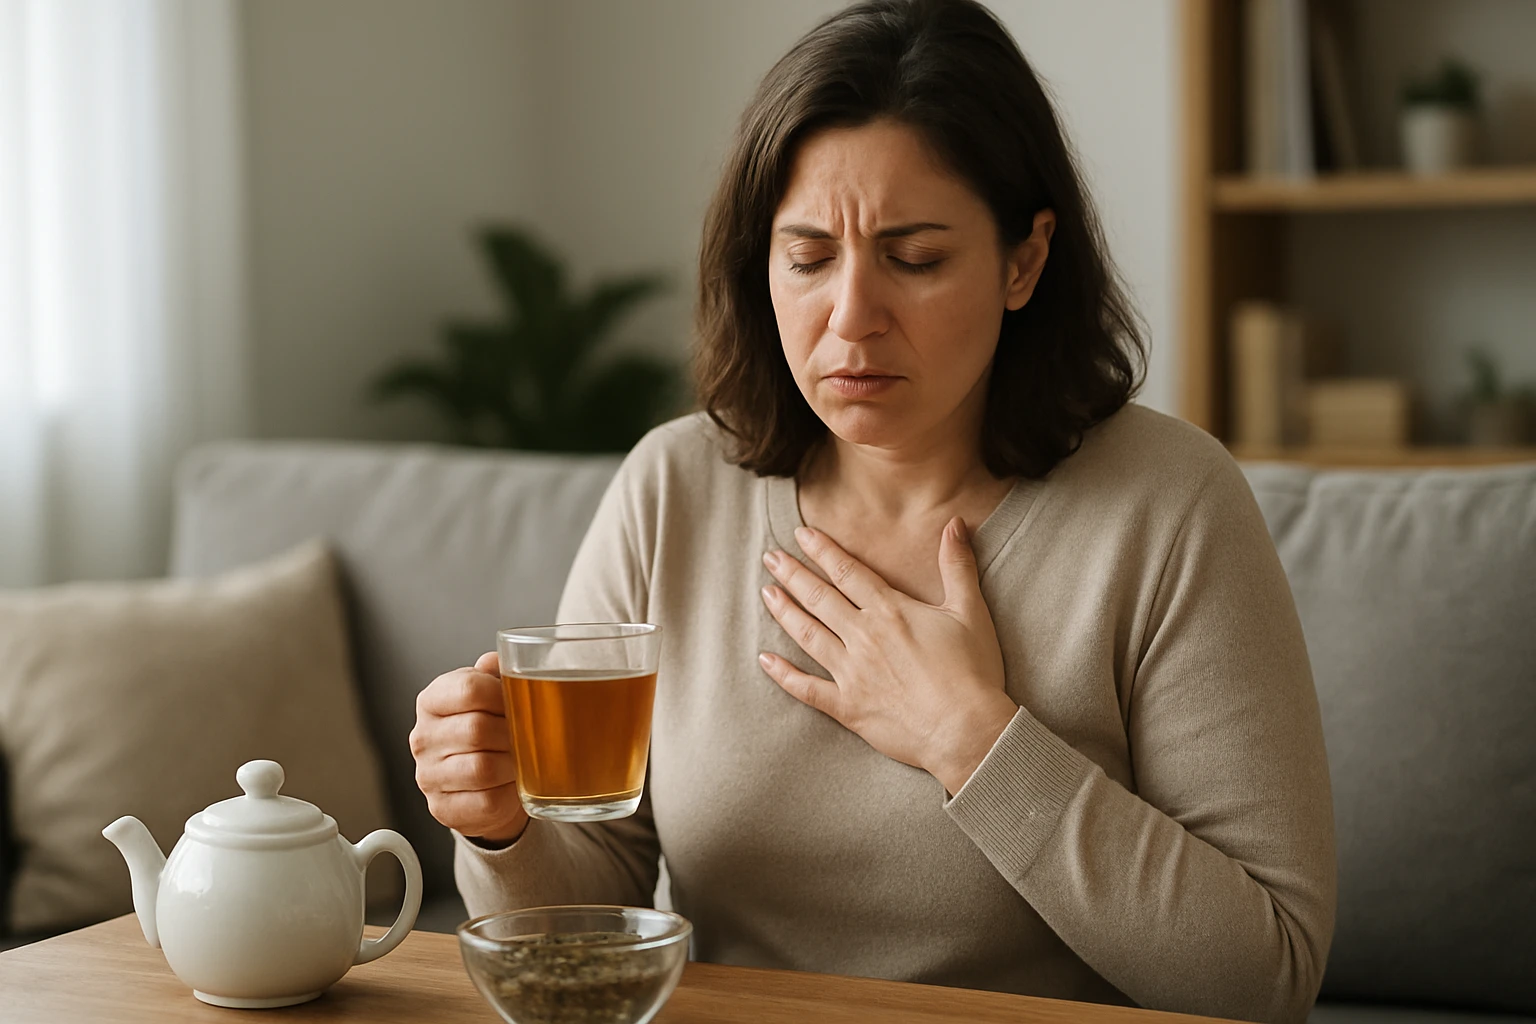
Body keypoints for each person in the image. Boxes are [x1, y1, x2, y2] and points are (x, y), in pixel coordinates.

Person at [408, 1, 1336, 1021]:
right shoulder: (672, 488)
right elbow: (586, 925)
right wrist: (501, 828)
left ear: (1024, 261)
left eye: (915, 258)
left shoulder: (1169, 505)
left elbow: (1266, 977)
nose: (851, 318)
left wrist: (970, 738)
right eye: (808, 258)